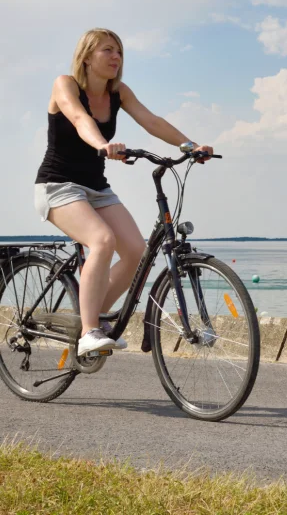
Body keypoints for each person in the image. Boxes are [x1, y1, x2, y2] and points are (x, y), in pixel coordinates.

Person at [34, 28, 213, 355]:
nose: (116, 57)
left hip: (96, 189)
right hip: (57, 186)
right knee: (102, 240)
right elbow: (78, 117)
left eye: (119, 51)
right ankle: (89, 331)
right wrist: (103, 144)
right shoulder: (66, 84)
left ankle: (93, 315)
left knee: (135, 251)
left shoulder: (119, 92)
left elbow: (152, 121)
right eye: (108, 50)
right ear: (87, 57)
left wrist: (190, 146)